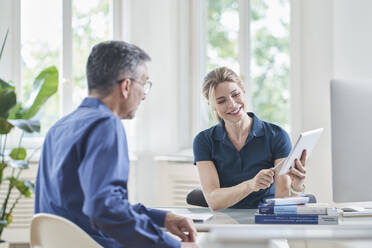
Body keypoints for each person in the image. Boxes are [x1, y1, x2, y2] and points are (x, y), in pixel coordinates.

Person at [35, 40, 197, 248]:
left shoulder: (59, 128)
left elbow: (92, 206)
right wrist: (173, 246)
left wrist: (162, 218)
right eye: (144, 83)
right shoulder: (105, 124)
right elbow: (105, 210)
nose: (145, 95)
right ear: (126, 86)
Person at [193, 67, 306, 210]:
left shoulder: (277, 136)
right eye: (221, 101)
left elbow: (282, 198)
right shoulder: (204, 141)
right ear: (212, 105)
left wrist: (297, 186)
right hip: (226, 222)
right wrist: (251, 185)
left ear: (244, 91)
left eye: (235, 94)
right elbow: (214, 201)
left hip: (267, 219)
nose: (232, 104)